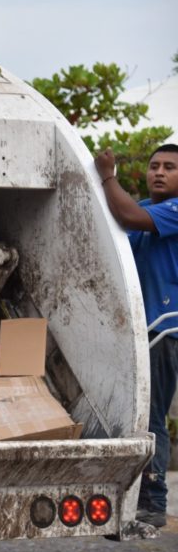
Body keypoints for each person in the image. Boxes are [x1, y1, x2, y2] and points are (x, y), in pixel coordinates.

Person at [95, 144, 178, 529]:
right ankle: (137, 496)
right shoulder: (147, 209)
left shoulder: (170, 212)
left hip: (165, 329)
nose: (159, 172)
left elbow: (126, 213)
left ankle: (154, 503)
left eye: (170, 168)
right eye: (154, 166)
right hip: (143, 332)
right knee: (139, 417)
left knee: (152, 418)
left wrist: (108, 176)